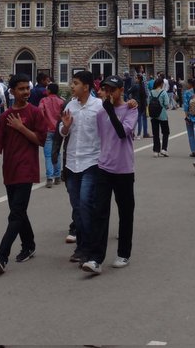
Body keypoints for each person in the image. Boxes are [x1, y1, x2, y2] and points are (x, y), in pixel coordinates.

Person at [0, 74, 46, 273]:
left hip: (27, 170)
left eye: (27, 88)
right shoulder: (5, 116)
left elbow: (40, 140)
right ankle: (29, 245)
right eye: (21, 89)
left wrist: (21, 127)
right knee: (19, 212)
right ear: (11, 91)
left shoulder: (35, 112)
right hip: (9, 170)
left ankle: (2, 256)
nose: (26, 92)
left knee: (15, 214)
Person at [83, 76, 138, 274]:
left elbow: (122, 133)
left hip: (123, 169)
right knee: (99, 213)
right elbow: (101, 138)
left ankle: (124, 253)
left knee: (125, 212)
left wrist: (110, 112)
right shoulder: (100, 113)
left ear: (121, 90)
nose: (109, 93)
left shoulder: (131, 109)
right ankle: (95, 258)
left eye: (113, 90)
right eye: (106, 89)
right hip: (104, 167)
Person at [60, 71, 103, 260]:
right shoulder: (70, 105)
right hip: (72, 163)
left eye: (75, 83)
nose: (72, 86)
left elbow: (107, 131)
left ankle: (89, 248)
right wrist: (66, 126)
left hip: (91, 162)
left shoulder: (99, 106)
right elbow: (62, 132)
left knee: (86, 204)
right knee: (76, 206)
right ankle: (81, 246)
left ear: (86, 86)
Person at [39, 82, 65, 187]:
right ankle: (57, 176)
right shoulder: (61, 101)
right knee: (57, 153)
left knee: (48, 155)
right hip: (58, 129)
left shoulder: (43, 100)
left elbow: (40, 111)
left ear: (48, 90)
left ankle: (49, 178)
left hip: (47, 129)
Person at [148, 76, 171, 157]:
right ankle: (164, 149)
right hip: (163, 115)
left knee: (155, 133)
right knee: (165, 132)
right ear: (161, 84)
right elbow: (167, 104)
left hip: (153, 116)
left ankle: (156, 150)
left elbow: (148, 103)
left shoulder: (151, 92)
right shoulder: (163, 92)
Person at [181, 78, 195, 157]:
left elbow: (186, 105)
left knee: (190, 134)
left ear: (190, 84)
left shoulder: (186, 93)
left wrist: (186, 115)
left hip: (190, 115)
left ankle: (193, 151)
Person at [132, 74, 149, 138]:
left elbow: (128, 91)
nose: (135, 79)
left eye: (136, 78)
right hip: (143, 103)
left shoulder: (137, 86)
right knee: (143, 118)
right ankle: (143, 133)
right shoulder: (144, 85)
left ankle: (136, 133)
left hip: (139, 104)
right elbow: (147, 94)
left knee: (138, 119)